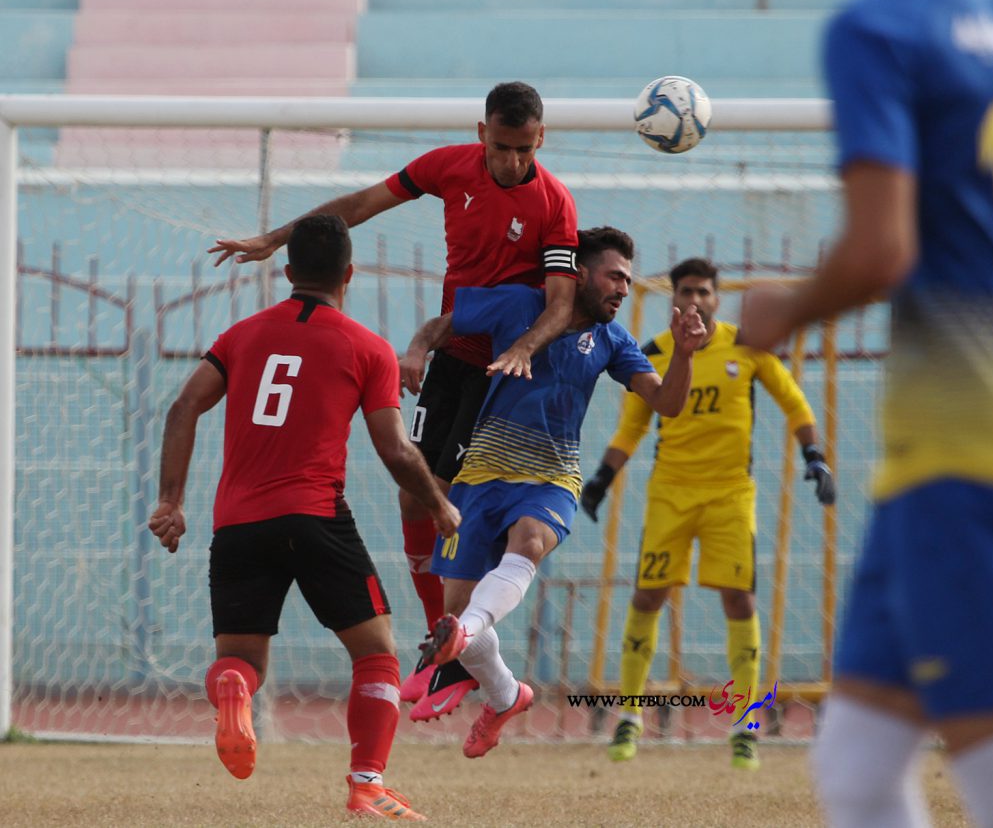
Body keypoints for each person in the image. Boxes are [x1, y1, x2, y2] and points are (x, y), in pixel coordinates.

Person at [739, 0, 993, 824]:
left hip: (969, 436)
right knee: (859, 761)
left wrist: (784, 310)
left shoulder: (884, 25)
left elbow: (880, 249)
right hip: (944, 449)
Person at [207, 82, 579, 712]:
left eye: (522, 149)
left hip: (506, 373)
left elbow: (562, 303)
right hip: (453, 356)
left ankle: (461, 652)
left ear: (540, 138)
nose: (511, 161)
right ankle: (447, 647)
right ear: (481, 131)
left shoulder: (554, 205)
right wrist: (275, 239)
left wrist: (524, 350)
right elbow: (360, 205)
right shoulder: (446, 166)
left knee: (466, 506)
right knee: (414, 494)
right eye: (500, 146)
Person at [148, 214, 460, 820]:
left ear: (287, 272)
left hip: (237, 525)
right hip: (317, 518)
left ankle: (233, 690)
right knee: (376, 655)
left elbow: (184, 405)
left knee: (241, 660)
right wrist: (439, 503)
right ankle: (366, 783)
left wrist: (170, 501)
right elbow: (395, 450)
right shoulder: (368, 348)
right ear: (349, 274)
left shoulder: (241, 336)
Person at [403, 226, 707, 756]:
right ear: (581, 274)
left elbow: (668, 403)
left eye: (630, 281)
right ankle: (505, 696)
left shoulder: (613, 341)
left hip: (552, 477)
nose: (624, 289)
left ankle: (462, 631)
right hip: (479, 476)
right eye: (615, 276)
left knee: (529, 543)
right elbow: (441, 325)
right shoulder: (519, 305)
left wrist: (683, 354)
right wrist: (414, 352)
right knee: (462, 604)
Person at [579, 257, 834, 771]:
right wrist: (601, 481)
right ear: (674, 299)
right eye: (686, 292)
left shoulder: (748, 348)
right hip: (670, 494)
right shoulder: (653, 352)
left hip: (729, 495)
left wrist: (816, 458)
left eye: (704, 292)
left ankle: (747, 725)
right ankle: (629, 716)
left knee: (739, 600)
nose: (694, 301)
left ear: (718, 298)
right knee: (648, 595)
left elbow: (795, 403)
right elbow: (632, 428)